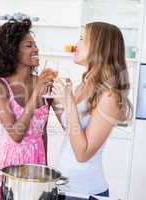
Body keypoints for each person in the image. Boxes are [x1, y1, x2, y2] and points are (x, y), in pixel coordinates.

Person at [51, 22, 133, 196]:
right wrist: (57, 103)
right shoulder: (82, 87)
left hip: (84, 192)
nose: (76, 44)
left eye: (82, 39)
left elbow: (82, 153)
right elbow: (73, 133)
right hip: (62, 187)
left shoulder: (110, 96)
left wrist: (70, 104)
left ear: (99, 47)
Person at [0, 19, 56, 184]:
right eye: (29, 46)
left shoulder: (43, 83)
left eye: (35, 45)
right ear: (12, 51)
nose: (36, 49)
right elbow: (16, 135)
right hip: (9, 166)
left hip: (36, 162)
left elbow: (42, 132)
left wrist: (46, 167)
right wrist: (36, 94)